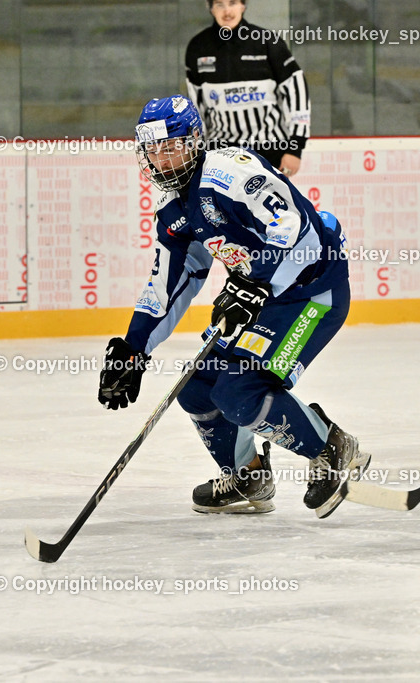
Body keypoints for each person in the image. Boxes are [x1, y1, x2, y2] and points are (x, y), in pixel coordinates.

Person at [97, 94, 369, 518]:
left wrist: (256, 283)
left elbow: (296, 230)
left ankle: (331, 446)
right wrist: (134, 349)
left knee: (238, 391)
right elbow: (170, 283)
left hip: (311, 291)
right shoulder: (174, 213)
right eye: (153, 150)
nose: (162, 160)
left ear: (193, 142)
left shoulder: (231, 173)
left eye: (171, 147)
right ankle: (249, 476)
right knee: (198, 387)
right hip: (259, 298)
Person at [185, 0, 311, 176]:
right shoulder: (198, 47)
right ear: (211, 8)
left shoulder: (267, 42)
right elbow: (195, 106)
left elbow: (296, 88)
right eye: (220, 5)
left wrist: (295, 148)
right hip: (221, 153)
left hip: (270, 150)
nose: (227, 11)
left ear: (243, 6)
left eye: (233, 3)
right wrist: (198, 152)